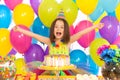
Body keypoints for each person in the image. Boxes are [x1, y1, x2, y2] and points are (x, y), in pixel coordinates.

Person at [13, 11, 104, 55]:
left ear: (65, 31)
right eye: (56, 27)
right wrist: (20, 30)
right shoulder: (49, 41)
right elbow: (34, 35)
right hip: (52, 73)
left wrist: (95, 26)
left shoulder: (69, 41)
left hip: (65, 73)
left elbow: (81, 33)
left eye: (61, 27)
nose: (58, 29)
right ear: (53, 29)